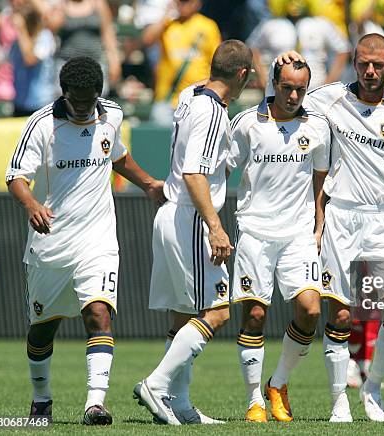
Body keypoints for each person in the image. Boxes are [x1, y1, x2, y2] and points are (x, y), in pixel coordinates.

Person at [274, 33, 384, 422]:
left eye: (377, 64)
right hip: (342, 217)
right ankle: (337, 400)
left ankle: (373, 386)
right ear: (354, 63)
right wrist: (279, 67)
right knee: (341, 316)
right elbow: (286, 96)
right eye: (363, 62)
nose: (369, 70)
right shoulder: (327, 99)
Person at [5, 56, 165, 425]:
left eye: (88, 101)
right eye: (75, 101)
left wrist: (148, 185)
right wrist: (30, 204)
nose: (82, 108)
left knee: (99, 314)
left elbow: (117, 156)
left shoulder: (111, 115)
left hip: (98, 240)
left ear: (98, 94)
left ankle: (96, 404)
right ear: (64, 94)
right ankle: (41, 399)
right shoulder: (42, 125)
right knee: (43, 329)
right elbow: (16, 176)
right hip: (51, 244)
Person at [133, 40, 253, 425]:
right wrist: (216, 227)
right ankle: (158, 383)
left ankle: (179, 406)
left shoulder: (189, 94)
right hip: (193, 216)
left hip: (170, 213)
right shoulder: (213, 112)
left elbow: (210, 82)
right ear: (241, 75)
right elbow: (193, 172)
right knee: (216, 312)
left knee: (183, 317)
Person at [228, 60, 330, 422]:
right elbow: (224, 168)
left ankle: (278, 382)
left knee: (311, 310)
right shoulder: (247, 123)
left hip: (298, 234)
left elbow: (320, 179)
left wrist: (319, 226)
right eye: (286, 87)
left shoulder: (317, 126)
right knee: (255, 314)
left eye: (300, 89)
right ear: (273, 83)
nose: (293, 95)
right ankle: (254, 399)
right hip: (255, 231)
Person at [142, 0, 221, 126]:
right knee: (162, 142)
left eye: (187, 1)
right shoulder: (168, 24)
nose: (183, 4)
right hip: (167, 99)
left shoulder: (208, 26)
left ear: (197, 3)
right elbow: (147, 40)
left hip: (197, 99)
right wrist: (165, 16)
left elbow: (217, 63)